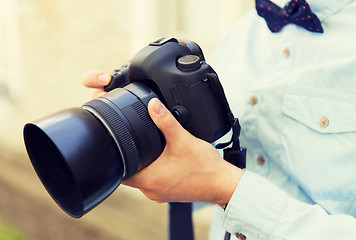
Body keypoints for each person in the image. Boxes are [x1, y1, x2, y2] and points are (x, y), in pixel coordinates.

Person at [82, 0, 356, 239]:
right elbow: (205, 171)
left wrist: (224, 187)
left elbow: (218, 180)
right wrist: (144, 123)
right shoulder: (246, 30)